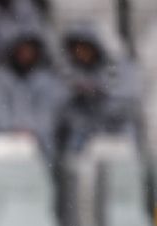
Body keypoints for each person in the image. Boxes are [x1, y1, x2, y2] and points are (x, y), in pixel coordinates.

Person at [0, 25, 67, 160]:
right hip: (3, 143)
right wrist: (15, 131)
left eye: (30, 49)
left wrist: (31, 133)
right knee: (2, 147)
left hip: (40, 146)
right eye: (22, 49)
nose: (26, 54)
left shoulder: (49, 82)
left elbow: (50, 117)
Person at [57, 23, 141, 155]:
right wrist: (77, 97)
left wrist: (98, 94)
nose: (80, 54)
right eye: (76, 50)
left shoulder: (119, 68)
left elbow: (128, 105)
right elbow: (62, 114)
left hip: (117, 134)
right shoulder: (69, 74)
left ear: (95, 46)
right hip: (84, 140)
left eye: (84, 48)